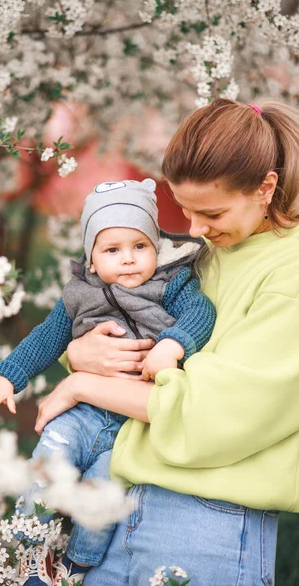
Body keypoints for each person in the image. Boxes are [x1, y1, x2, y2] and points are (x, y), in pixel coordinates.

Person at [32, 98, 299, 586]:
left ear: (265, 188)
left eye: (211, 212)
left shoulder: (289, 273)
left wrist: (81, 388)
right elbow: (138, 338)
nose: (194, 230)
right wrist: (80, 355)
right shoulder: (216, 251)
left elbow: (209, 414)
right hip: (123, 499)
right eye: (187, 211)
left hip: (210, 521)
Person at [0, 179, 216, 585]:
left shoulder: (171, 285)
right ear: (91, 259)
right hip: (82, 414)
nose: (128, 259)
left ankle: (76, 566)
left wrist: (173, 345)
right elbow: (47, 337)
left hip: (132, 423)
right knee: (50, 459)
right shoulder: (78, 295)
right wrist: (7, 377)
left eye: (140, 246)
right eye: (112, 250)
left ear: (155, 247)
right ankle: (28, 548)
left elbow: (202, 313)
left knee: (103, 492)